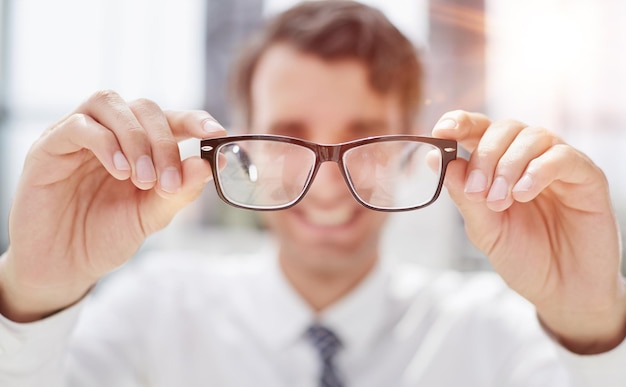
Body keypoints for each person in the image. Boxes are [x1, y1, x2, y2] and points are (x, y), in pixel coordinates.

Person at [0, 1, 625, 386]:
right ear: (239, 145)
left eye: (366, 137)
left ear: (414, 151)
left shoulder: (497, 335)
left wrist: (593, 326)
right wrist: (32, 295)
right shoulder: (153, 314)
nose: (328, 183)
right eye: (289, 136)